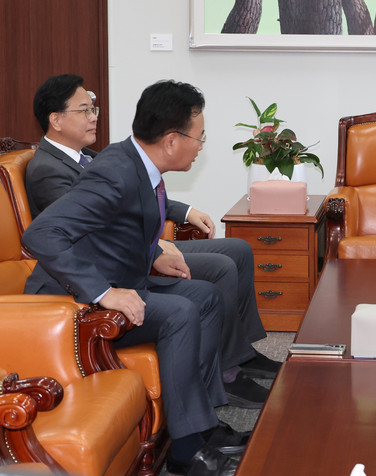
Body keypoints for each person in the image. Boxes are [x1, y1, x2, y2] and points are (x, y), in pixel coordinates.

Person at [23, 80, 260, 475]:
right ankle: (187, 452)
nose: (201, 146)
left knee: (206, 296)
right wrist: (104, 292)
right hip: (71, 303)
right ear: (171, 140)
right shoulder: (116, 171)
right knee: (180, 312)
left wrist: (153, 255)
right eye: (199, 138)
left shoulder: (136, 163)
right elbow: (41, 234)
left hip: (123, 278)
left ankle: (200, 425)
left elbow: (113, 228)